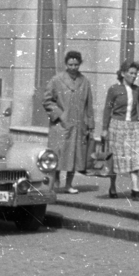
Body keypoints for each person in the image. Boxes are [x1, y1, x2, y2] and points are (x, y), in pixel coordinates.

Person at [42, 50, 93, 194]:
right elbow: (46, 99)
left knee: (75, 156)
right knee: (58, 154)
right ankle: (54, 183)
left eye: (76, 64)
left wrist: (90, 125)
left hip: (78, 125)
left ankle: (69, 184)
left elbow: (89, 105)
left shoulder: (85, 82)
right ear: (66, 64)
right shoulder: (57, 80)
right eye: (70, 64)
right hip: (60, 125)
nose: (73, 67)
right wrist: (58, 114)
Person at [100, 60, 139, 200]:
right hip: (117, 126)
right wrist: (104, 129)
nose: (134, 76)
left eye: (135, 73)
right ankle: (113, 187)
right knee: (116, 158)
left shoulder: (137, 90)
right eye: (131, 73)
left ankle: (135, 187)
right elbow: (107, 108)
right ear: (123, 74)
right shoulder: (114, 89)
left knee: (136, 155)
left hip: (133, 127)